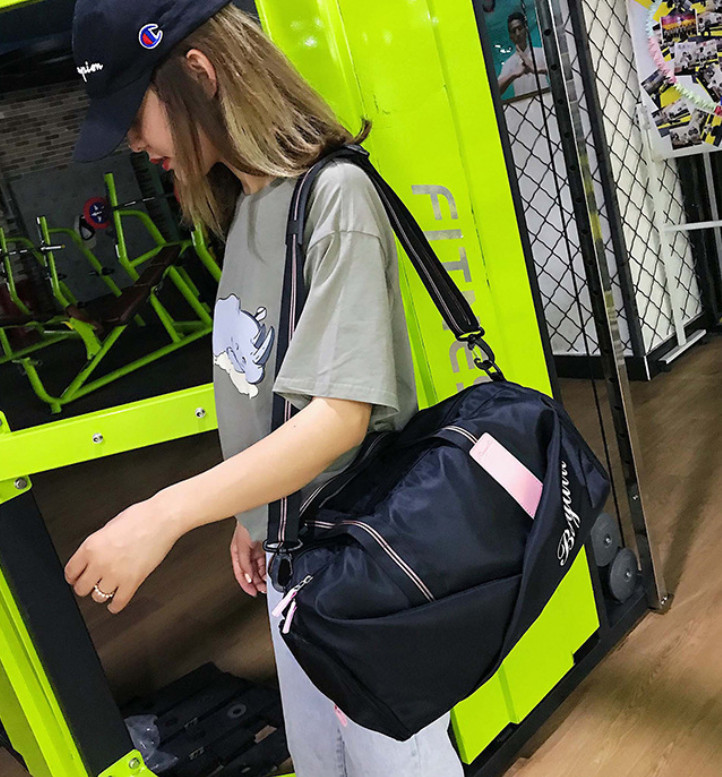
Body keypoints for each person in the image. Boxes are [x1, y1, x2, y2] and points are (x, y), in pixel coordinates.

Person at [64, 2, 465, 776]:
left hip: (363, 575)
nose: (134, 142)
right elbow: (274, 395)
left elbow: (338, 416)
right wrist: (257, 513)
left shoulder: (334, 196)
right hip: (298, 568)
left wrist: (163, 513)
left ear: (199, 73)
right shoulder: (248, 207)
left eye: (135, 113)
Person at [498, 11, 548, 99]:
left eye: (520, 28)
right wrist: (513, 74)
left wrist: (538, 69)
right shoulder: (508, 64)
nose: (518, 33)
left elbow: (560, 70)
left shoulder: (541, 52)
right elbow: (496, 90)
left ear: (526, 30)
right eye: (514, 31)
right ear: (510, 36)